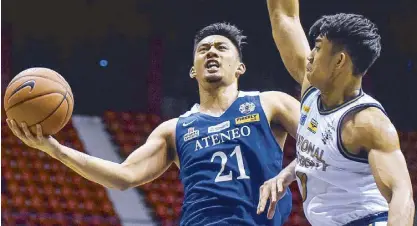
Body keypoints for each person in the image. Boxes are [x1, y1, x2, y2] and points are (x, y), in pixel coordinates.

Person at [7, 22, 301, 226]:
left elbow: (323, 145)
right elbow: (124, 176)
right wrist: (55, 149)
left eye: (221, 48)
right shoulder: (174, 129)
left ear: (240, 67)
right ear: (192, 70)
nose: (211, 51)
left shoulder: (271, 103)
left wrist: (286, 175)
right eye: (203, 49)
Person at [257, 0, 415, 225]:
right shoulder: (312, 92)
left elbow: (401, 195)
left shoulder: (366, 123)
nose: (309, 56)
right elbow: (285, 19)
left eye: (318, 47)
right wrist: (287, 174)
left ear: (340, 60)